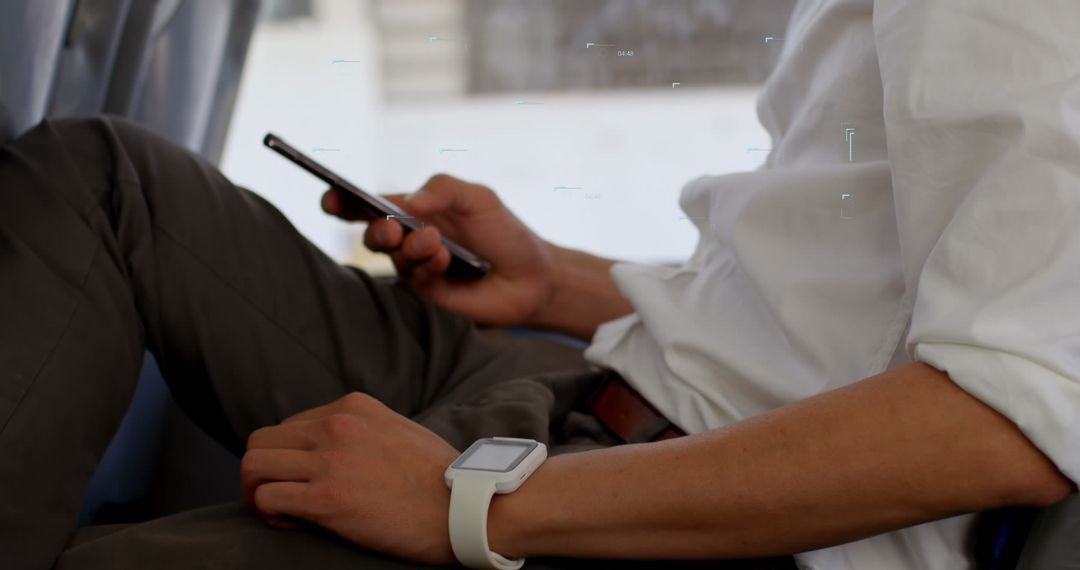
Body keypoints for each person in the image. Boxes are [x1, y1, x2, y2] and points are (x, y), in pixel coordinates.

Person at [2, 0, 1078, 569]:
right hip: (583, 395)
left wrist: (472, 504)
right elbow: (841, 310)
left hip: (689, 512)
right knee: (107, 184)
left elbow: (1012, 417)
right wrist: (549, 281)